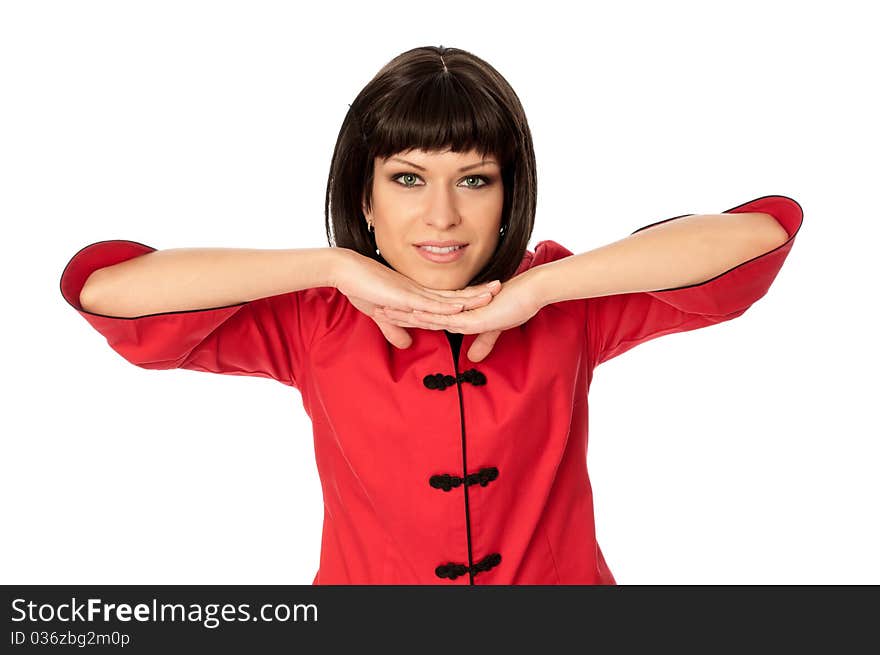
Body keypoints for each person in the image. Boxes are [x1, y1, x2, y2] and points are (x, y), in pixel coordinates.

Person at [59, 45, 803, 585]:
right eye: (408, 177)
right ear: (364, 195)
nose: (441, 216)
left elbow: (759, 234)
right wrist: (329, 264)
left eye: (474, 179)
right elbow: (108, 290)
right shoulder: (315, 321)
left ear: (509, 194)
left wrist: (538, 290)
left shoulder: (567, 304)